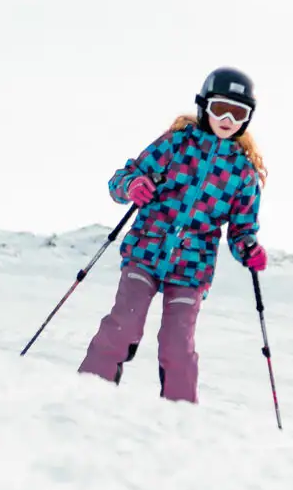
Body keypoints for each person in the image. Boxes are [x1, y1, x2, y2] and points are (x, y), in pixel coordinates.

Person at [78, 67, 267, 403]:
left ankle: (181, 415)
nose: (227, 118)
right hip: (145, 252)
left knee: (177, 344)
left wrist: (248, 247)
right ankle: (89, 391)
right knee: (123, 324)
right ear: (203, 106)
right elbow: (123, 178)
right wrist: (132, 186)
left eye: (238, 112)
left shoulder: (243, 172)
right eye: (219, 108)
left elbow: (241, 228)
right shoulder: (176, 144)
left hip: (192, 269)